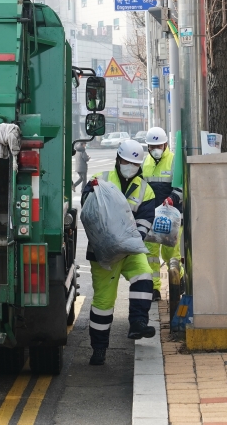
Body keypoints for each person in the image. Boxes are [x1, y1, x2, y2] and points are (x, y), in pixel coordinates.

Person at [81, 139, 156, 366]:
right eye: (125, 161)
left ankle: (138, 324)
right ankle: (99, 349)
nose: (129, 166)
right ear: (118, 159)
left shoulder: (145, 189)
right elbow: (88, 210)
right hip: (103, 254)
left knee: (144, 276)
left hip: (130, 250)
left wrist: (134, 240)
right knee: (103, 303)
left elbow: (145, 219)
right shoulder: (100, 180)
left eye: (134, 163)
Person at [140, 127, 183, 301]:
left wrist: (173, 198)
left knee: (170, 252)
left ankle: (177, 281)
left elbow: (181, 186)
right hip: (152, 216)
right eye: (152, 146)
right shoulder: (145, 163)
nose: (155, 149)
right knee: (151, 254)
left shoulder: (174, 161)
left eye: (158, 145)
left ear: (165, 144)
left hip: (171, 215)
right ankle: (154, 289)